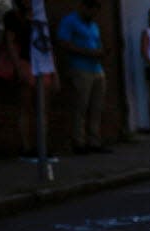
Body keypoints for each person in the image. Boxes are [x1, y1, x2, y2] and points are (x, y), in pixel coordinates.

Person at [3, 0, 57, 160]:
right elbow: (10, 42)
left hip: (42, 65)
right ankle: (26, 147)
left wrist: (54, 72)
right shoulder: (13, 17)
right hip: (25, 63)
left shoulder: (40, 16)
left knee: (42, 108)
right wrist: (18, 67)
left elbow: (48, 45)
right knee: (25, 106)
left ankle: (42, 146)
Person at [56, 0, 109, 154]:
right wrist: (87, 52)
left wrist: (101, 52)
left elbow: (98, 44)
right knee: (80, 106)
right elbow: (63, 43)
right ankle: (78, 142)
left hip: (97, 69)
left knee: (96, 107)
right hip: (80, 68)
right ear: (84, 7)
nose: (94, 15)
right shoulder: (70, 21)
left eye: (96, 12)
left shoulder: (94, 25)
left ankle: (94, 141)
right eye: (92, 11)